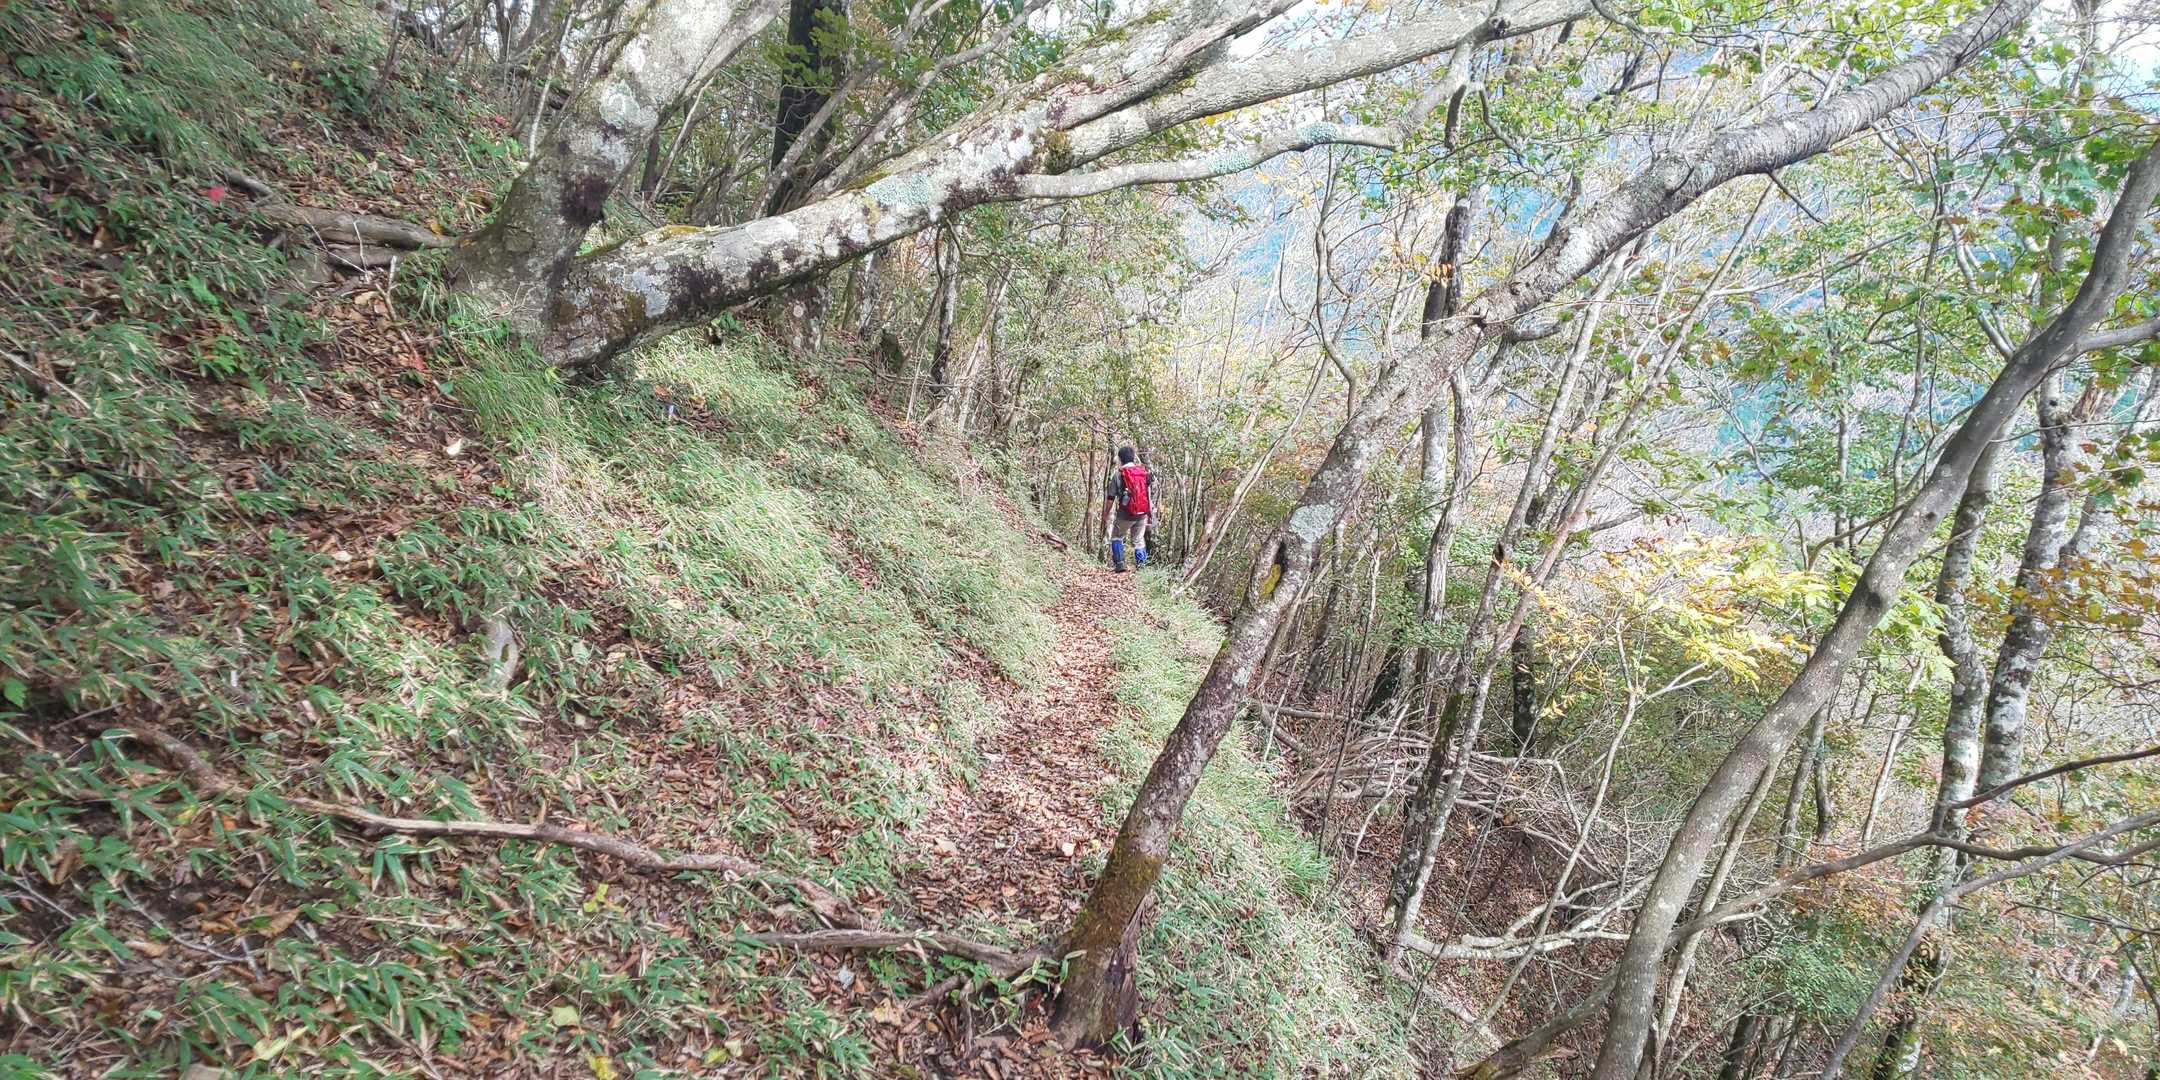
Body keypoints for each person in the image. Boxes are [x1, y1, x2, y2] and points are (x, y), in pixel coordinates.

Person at [1101, 445, 1152, 572]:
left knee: (1116, 536)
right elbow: (1148, 494)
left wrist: (1106, 513)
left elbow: (1111, 497)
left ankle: (1120, 564)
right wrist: (1150, 513)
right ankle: (1142, 568)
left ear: (1120, 458)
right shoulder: (1143, 473)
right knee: (1138, 540)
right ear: (1133, 458)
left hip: (1126, 513)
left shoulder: (1119, 474)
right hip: (1142, 513)